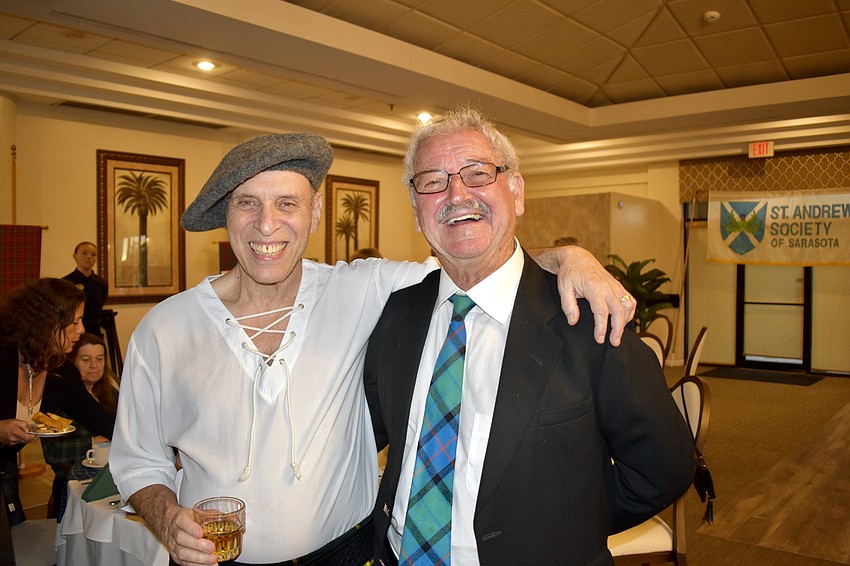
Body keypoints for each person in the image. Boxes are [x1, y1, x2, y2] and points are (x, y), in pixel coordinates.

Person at [109, 132, 635, 566]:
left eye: (286, 203)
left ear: (315, 213)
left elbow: (477, 261)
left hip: (349, 555)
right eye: (248, 203)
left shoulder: (362, 289)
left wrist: (570, 257)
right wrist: (163, 516)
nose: (266, 225)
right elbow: (137, 462)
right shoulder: (165, 329)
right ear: (227, 214)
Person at [363, 107, 696, 565]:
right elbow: (369, 435)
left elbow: (665, 467)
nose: (457, 194)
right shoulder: (398, 315)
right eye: (434, 181)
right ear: (417, 211)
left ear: (515, 191)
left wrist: (561, 529)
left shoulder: (587, 320)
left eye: (477, 173)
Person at [0, 278, 85, 563]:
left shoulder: (60, 372)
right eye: (74, 323)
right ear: (45, 323)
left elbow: (104, 419)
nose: (81, 330)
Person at [41, 333, 119, 519]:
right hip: (71, 482)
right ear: (72, 362)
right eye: (86, 359)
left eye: (100, 359)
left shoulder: (114, 396)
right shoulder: (59, 400)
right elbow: (53, 451)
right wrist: (92, 443)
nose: (94, 365)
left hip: (111, 480)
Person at [64, 241, 109, 337]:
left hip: (94, 333)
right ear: (75, 256)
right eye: (84, 253)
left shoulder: (101, 284)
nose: (89, 257)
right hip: (73, 333)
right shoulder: (66, 282)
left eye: (93, 255)